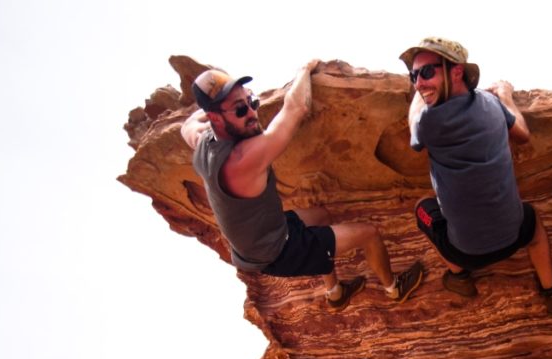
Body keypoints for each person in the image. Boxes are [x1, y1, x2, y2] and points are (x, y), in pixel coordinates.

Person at [181, 62, 423, 310]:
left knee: (321, 215)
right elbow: (297, 107)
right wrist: (304, 70)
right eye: (240, 110)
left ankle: (335, 292)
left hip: (264, 237)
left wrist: (221, 111)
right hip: (280, 251)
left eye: (251, 102)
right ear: (215, 118)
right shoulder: (243, 159)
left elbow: (186, 125)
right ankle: (394, 288)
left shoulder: (203, 143)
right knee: (369, 234)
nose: (253, 113)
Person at [400, 37, 552, 315]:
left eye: (427, 72)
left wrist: (419, 95)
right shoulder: (490, 104)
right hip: (515, 234)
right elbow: (522, 134)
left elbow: (413, 123)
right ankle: (551, 290)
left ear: (456, 71)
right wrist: (505, 95)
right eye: (413, 75)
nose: (419, 83)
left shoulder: (428, 122)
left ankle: (459, 277)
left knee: (422, 209)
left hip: (464, 251)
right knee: (534, 224)